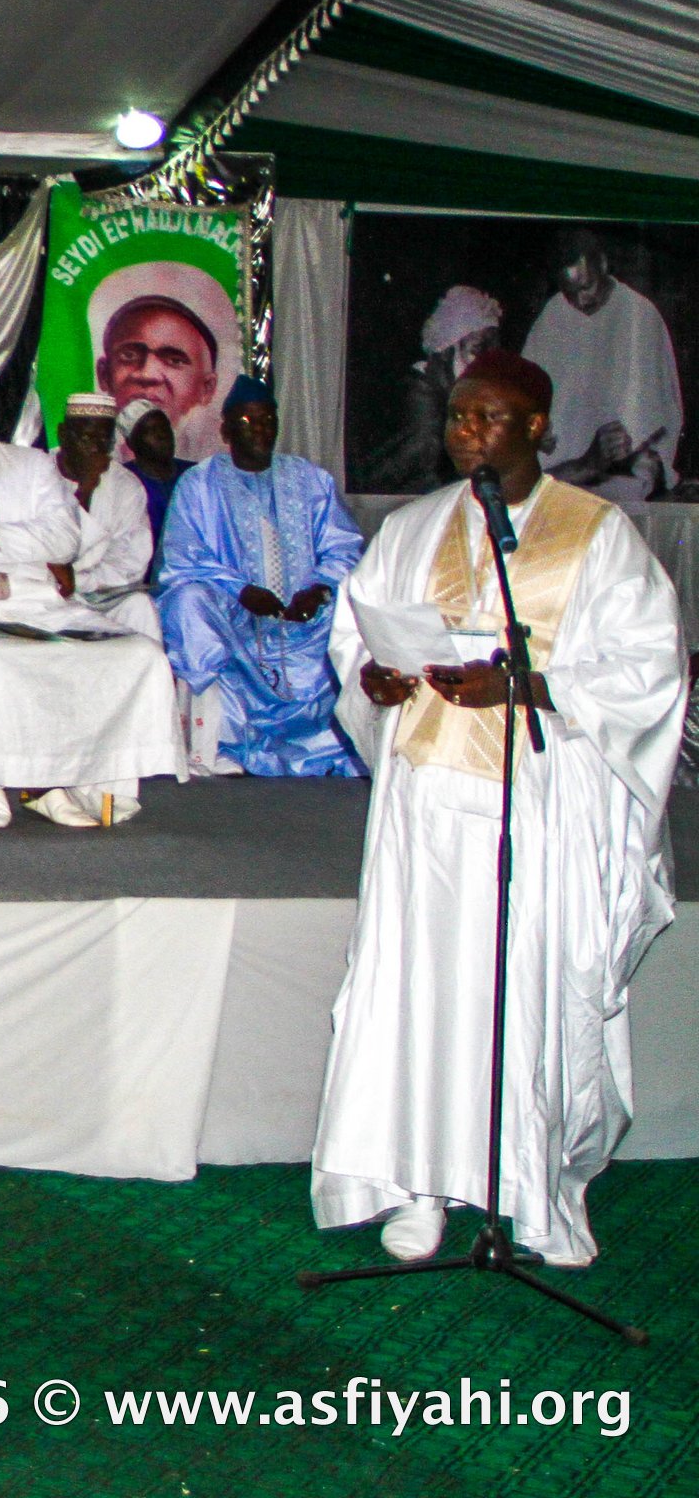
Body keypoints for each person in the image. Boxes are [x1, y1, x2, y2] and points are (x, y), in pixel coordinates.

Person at [317, 349, 683, 1268]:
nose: (464, 431)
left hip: (541, 811)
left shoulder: (598, 536)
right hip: (429, 807)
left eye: (486, 417)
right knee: (423, 993)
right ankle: (421, 1186)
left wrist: (528, 683)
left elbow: (648, 670)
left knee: (526, 995)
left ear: (535, 429)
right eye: (456, 416)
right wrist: (376, 679)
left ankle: (535, 1190)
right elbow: (357, 634)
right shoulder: (411, 528)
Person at [0, 352, 180, 827]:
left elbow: (65, 538)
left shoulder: (31, 465)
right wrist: (28, 547)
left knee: (139, 653)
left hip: (40, 606)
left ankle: (89, 782)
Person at [159, 378, 365, 779]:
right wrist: (240, 591)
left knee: (353, 604)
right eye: (248, 420)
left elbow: (344, 548)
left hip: (303, 623)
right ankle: (221, 744)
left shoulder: (310, 480)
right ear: (225, 430)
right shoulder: (199, 484)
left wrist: (319, 589)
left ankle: (337, 744)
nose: (260, 429)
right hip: (235, 619)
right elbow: (183, 556)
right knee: (188, 602)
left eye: (268, 420)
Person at [522, 228, 679, 500]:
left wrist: (640, 453)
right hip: (564, 479)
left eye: (586, 287)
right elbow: (525, 398)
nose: (581, 300)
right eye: (570, 292)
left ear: (603, 264)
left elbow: (662, 415)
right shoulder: (551, 317)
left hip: (622, 480)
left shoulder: (639, 314)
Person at [358, 285, 500, 494]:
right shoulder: (419, 393)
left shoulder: (457, 394)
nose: (484, 366)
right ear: (446, 349)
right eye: (477, 351)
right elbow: (422, 468)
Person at [94, 263, 235, 461]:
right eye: (129, 356)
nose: (148, 374)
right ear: (104, 374)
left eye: (173, 360)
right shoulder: (96, 474)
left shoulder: (204, 478)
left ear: (207, 387)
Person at [58, 391, 159, 637]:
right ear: (63, 435)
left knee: (140, 607)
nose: (95, 449)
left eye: (104, 441)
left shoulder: (125, 485)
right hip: (48, 596)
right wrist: (82, 491)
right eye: (86, 438)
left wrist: (77, 580)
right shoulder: (37, 472)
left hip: (103, 596)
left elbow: (130, 563)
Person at [120, 398, 186, 549]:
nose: (162, 435)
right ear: (131, 443)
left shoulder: (194, 474)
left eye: (165, 428)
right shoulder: (123, 482)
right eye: (150, 431)